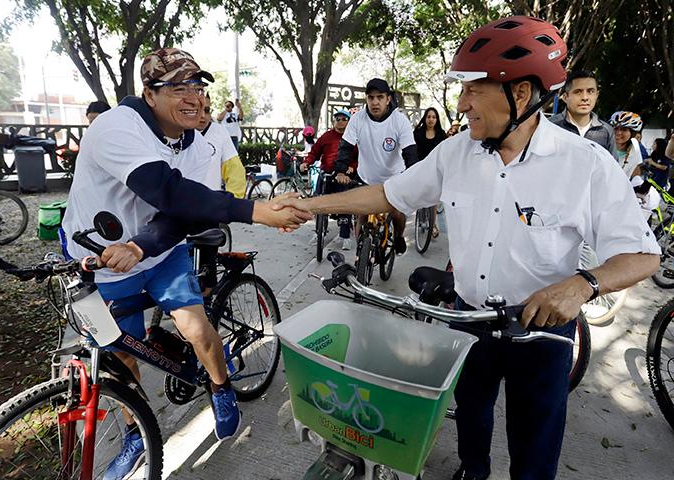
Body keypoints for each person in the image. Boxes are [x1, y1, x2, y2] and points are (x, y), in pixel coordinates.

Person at [273, 16, 660, 480]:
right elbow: (390, 193)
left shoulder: (586, 165)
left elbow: (643, 254)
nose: (461, 103)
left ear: (520, 94)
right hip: (467, 319)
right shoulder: (455, 152)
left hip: (541, 334)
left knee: (534, 448)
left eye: (474, 90)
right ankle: (472, 472)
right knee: (471, 419)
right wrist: (311, 204)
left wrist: (582, 285)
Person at [62, 47, 309, 480]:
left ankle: (220, 385)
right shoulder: (116, 127)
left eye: (198, 86)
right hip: (101, 259)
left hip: (157, 251)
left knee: (195, 327)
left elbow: (185, 210)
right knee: (119, 356)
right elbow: (164, 188)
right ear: (149, 94)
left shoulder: (201, 144)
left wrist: (140, 248)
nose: (194, 97)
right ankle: (137, 429)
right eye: (179, 87)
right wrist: (257, 210)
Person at [331, 77, 418, 255]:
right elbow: (346, 146)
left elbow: (410, 151)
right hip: (366, 176)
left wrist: (412, 177)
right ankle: (359, 253)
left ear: (388, 99)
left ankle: (399, 237)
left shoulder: (399, 120)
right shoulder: (357, 119)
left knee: (396, 213)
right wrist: (340, 170)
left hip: (393, 177)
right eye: (371, 97)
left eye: (380, 97)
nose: (375, 102)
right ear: (366, 99)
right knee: (362, 214)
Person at [300, 109, 359, 249]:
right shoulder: (326, 137)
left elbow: (359, 158)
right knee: (321, 204)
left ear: (349, 121)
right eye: (337, 118)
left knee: (344, 205)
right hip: (326, 174)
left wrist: (352, 166)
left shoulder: (353, 138)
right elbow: (314, 152)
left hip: (343, 176)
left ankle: (345, 236)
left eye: (344, 119)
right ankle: (320, 231)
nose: (340, 121)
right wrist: (306, 163)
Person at [549, 70, 617, 158]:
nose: (585, 98)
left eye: (590, 91)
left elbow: (611, 168)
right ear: (565, 97)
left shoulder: (606, 131)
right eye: (578, 92)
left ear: (597, 95)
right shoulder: (550, 126)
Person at [197, 94, 247, 198]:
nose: (202, 115)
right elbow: (219, 118)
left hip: (211, 208)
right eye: (195, 109)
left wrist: (230, 206)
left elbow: (235, 174)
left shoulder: (219, 131)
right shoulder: (175, 132)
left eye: (206, 110)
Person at [413, 107, 447, 239]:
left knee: (433, 199)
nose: (431, 119)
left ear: (437, 119)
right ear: (425, 118)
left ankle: (433, 224)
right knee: (421, 196)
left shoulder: (441, 134)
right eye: (428, 117)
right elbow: (412, 151)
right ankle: (420, 215)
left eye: (433, 117)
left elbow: (445, 153)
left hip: (435, 170)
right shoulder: (418, 133)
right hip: (420, 168)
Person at [610, 111, 648, 179]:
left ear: (632, 133)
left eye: (624, 129)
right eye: (615, 128)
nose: (618, 133)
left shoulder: (635, 147)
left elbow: (636, 171)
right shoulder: (603, 145)